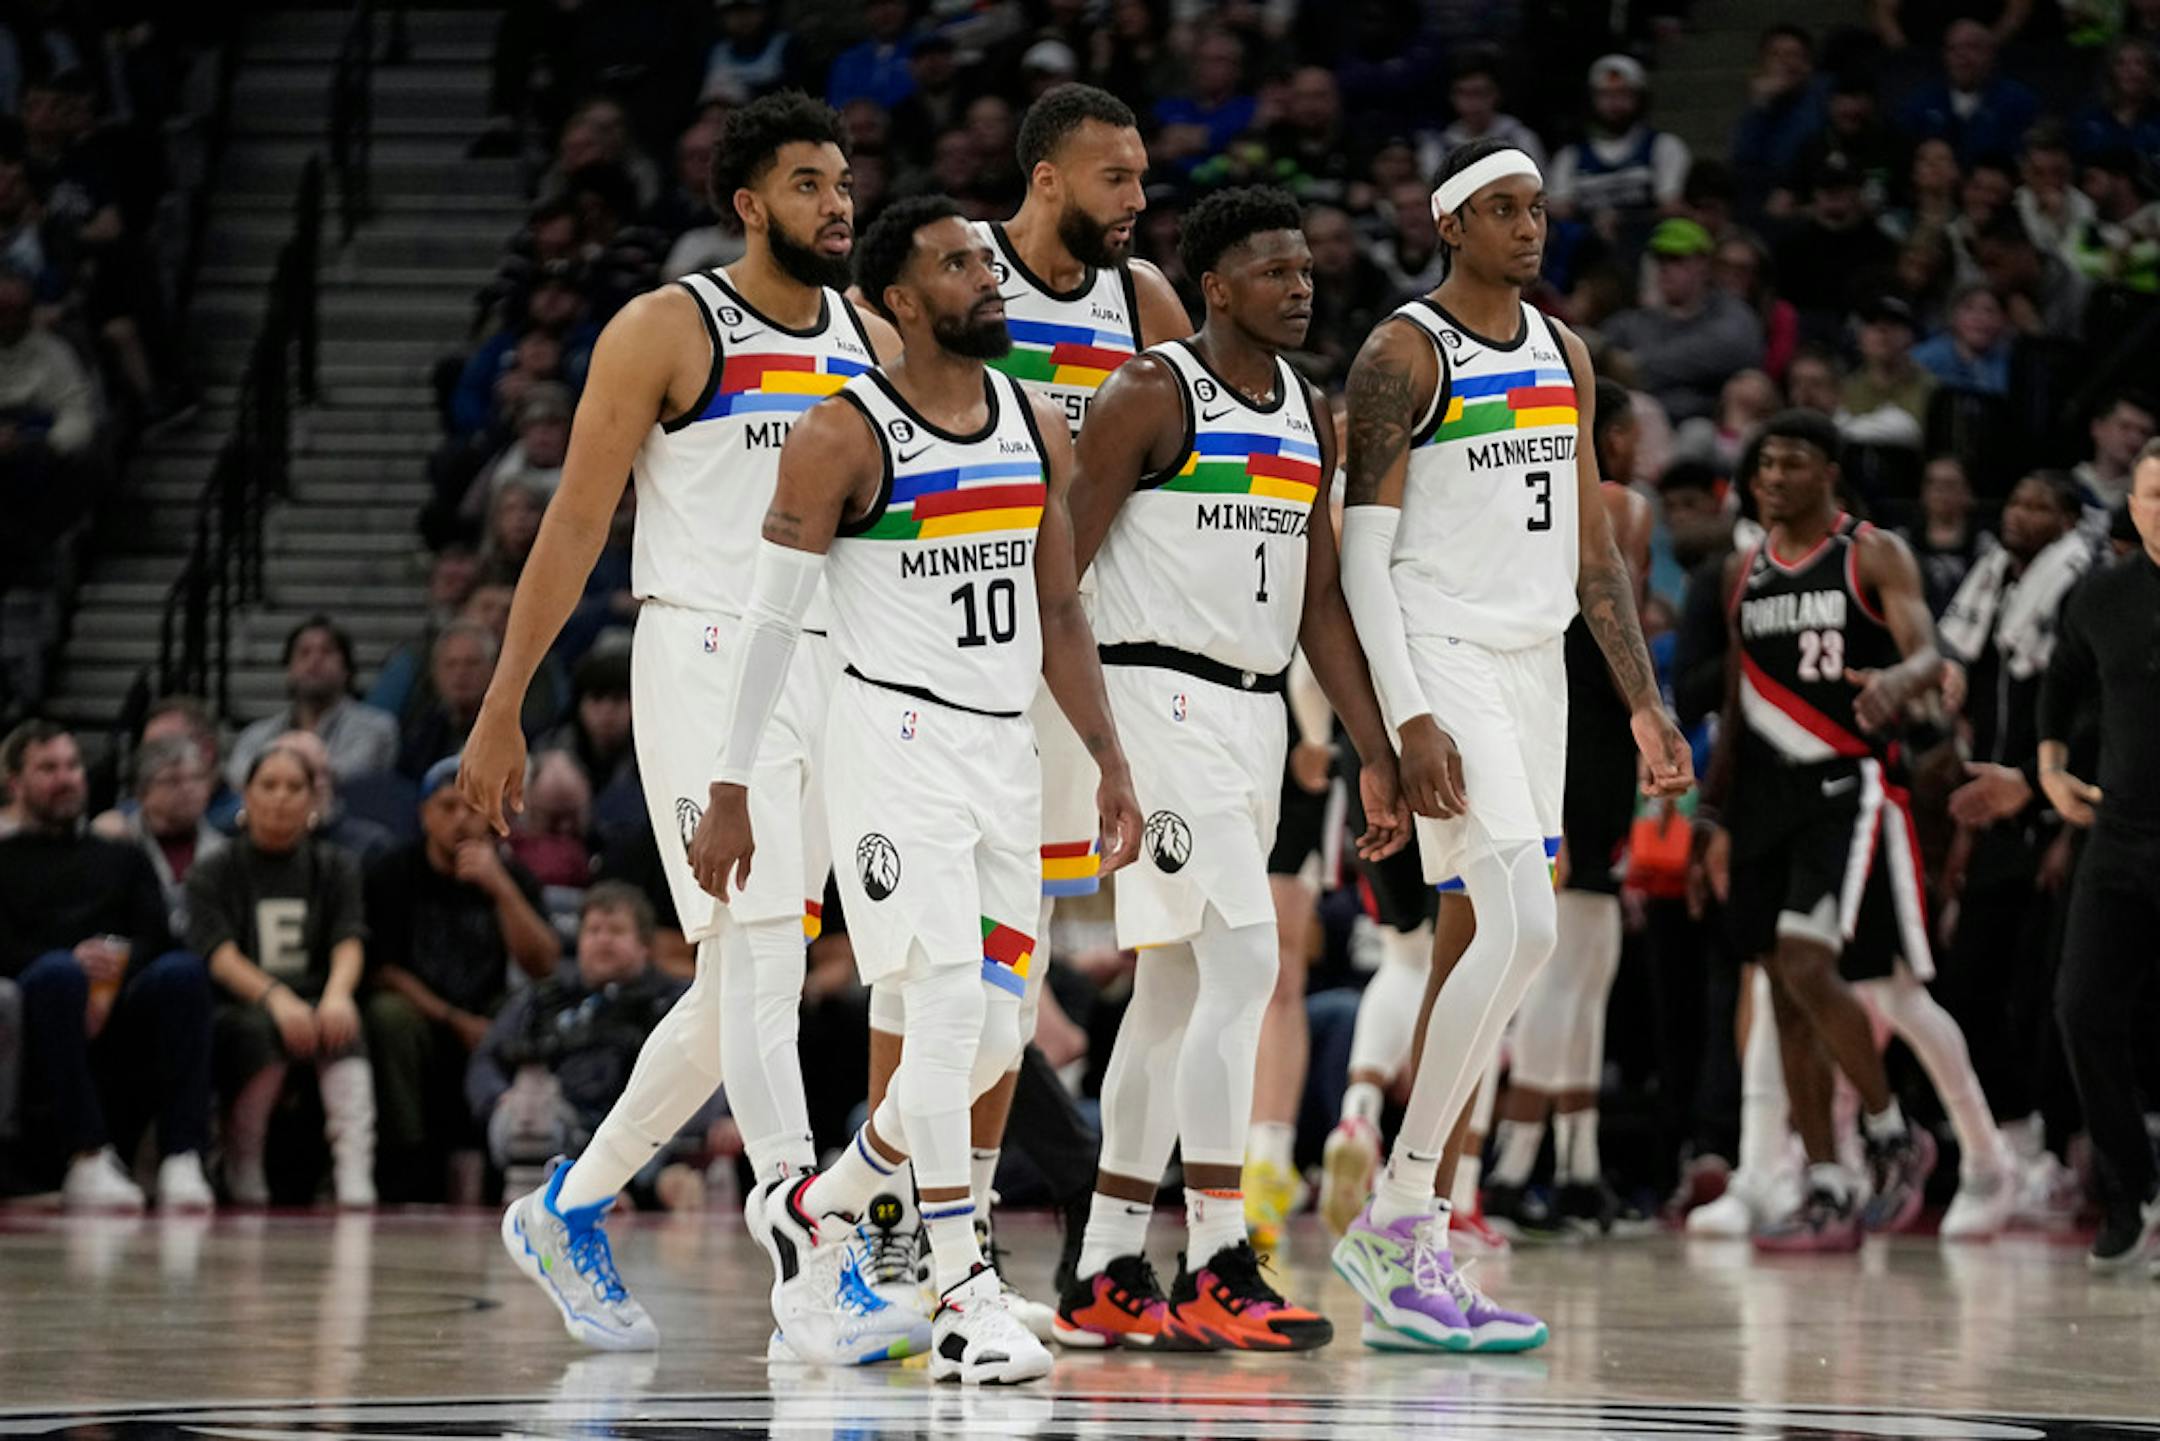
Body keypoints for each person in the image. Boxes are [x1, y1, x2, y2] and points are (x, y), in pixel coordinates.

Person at [458, 92, 901, 1353]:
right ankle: (808, 1259)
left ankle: (568, 1204)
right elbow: (573, 521)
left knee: (730, 994)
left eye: (845, 179)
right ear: (750, 203)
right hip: (705, 649)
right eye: (810, 183)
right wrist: (504, 705)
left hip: (839, 664)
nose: (838, 203)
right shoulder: (668, 326)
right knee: (759, 961)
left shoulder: (871, 335)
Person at [696, 194, 1141, 1384]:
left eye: (987, 262)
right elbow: (771, 620)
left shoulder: (1035, 420)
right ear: (899, 299)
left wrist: (1106, 755)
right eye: (957, 265)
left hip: (1006, 752)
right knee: (945, 1008)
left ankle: (823, 1198)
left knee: (998, 1025)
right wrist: (732, 783)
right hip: (890, 744)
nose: (987, 280)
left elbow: (1058, 610)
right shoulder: (842, 434)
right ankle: (962, 1291)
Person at [1332, 139, 1692, 1351]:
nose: (1529, 227)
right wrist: (1406, 714)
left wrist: (1642, 702)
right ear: (1452, 225)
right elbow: (1362, 557)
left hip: (1537, 668)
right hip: (1440, 651)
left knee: (1505, 948)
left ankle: (1413, 1219)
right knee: (1524, 923)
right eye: (1503, 209)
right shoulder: (1402, 352)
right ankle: (1398, 1207)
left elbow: (1594, 548)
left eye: (1538, 208)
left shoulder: (1565, 353)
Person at [852, 82, 1190, 1340]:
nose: (1138, 202)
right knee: (914, 970)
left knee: (1011, 968)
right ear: (1045, 177)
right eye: (1117, 179)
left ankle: (965, 1238)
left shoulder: (1143, 302)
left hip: (1063, 659)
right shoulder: (951, 273)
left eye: (1144, 180)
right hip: (930, 670)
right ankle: (887, 1235)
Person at [1050, 187, 1407, 1351]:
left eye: (1307, 269)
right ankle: (1215, 1253)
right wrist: (1092, 741)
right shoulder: (1150, 393)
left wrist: (1374, 748)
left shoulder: (1307, 407)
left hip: (1253, 716)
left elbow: (1319, 609)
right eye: (1275, 271)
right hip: (1156, 700)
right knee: (1248, 962)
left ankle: (1105, 1266)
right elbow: (1064, 568)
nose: (1302, 286)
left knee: (1170, 998)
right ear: (1214, 286)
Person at [1693, 410, 1960, 1251]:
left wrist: (1899, 681)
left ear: (1830, 473)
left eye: (1792, 462)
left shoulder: (1870, 551)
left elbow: (1931, 654)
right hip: (1764, 795)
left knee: (1811, 960)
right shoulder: (1743, 570)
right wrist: (1712, 811)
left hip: (1847, 785)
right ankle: (1828, 1179)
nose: (1772, 476)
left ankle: (1888, 1127)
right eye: (1764, 463)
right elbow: (1737, 704)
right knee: (1781, 996)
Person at [1480, 377, 1652, 1236]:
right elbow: (1626, 607)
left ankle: (1578, 1169)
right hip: (1587, 733)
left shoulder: (1524, 494)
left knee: (1591, 959)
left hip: (1574, 728)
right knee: (1566, 966)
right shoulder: (1617, 504)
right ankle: (1510, 1169)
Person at [1938, 472, 2092, 1227]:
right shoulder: (1992, 584)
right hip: (1996, 811)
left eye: (2040, 505)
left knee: (2042, 997)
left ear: (2068, 520)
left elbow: (2085, 714)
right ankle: (2002, 1138)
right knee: (1966, 988)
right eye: (2017, 500)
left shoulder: (2076, 588)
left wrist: (2062, 823)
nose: (2022, 514)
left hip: (2052, 814)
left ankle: (2053, 1153)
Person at [0, 721, 214, 1212]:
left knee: (183, 971)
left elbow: (156, 936)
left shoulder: (123, 856)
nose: (66, 778)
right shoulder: (5, 860)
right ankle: (87, 1154)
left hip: (118, 1000)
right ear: (16, 783)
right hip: (41, 1004)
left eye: (73, 766)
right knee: (58, 972)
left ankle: (184, 1156)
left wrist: (110, 970)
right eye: (48, 768)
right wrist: (75, 964)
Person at [2037, 441, 2160, 1270]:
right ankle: (2132, 1190)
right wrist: (2047, 764)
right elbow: (2061, 674)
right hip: (2120, 837)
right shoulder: (2103, 594)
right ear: (2135, 502)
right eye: (2155, 494)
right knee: (2081, 1009)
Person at [189, 744, 374, 1208]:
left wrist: (336, 996)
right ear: (245, 795)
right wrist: (276, 999)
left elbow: (348, 939)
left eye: (295, 787)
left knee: (345, 1025)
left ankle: (354, 1169)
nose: (280, 797)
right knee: (258, 1032)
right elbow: (219, 954)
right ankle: (243, 1161)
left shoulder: (335, 865)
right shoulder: (216, 869)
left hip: (315, 993)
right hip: (245, 1003)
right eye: (268, 785)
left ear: (314, 800)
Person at [364, 757, 556, 1204]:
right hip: (422, 1014)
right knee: (388, 1017)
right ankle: (407, 1164)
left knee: (522, 1016)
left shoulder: (511, 875)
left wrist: (501, 888)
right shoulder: (393, 872)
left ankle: (508, 1159)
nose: (460, 821)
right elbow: (385, 971)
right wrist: (453, 1019)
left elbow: (542, 963)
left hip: (488, 1015)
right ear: (424, 814)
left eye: (472, 809)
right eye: (447, 807)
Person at [467, 883, 710, 1205]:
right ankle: (570, 1195)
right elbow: (486, 1058)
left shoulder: (677, 1000)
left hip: (646, 1127)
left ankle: (631, 1189)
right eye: (593, 930)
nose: (603, 939)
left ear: (645, 946)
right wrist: (498, 1099)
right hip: (558, 1126)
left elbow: (707, 1064)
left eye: (616, 930)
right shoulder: (542, 998)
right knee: (526, 1115)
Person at [1602, 217, 1767, 424]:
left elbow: (1730, 347)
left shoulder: (1730, 314)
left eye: (1675, 259)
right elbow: (1602, 354)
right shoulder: (1635, 320)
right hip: (1640, 425)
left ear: (1703, 264)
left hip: (1708, 427)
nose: (1665, 268)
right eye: (1660, 259)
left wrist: (1634, 366)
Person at [226, 617, 400, 788]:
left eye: (327, 651)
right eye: (304, 652)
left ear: (347, 669)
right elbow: (237, 774)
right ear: (289, 670)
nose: (314, 660)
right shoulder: (257, 734)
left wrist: (274, 774)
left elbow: (353, 773)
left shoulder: (376, 726)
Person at [1547, 54, 1693, 257]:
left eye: (1624, 94)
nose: (1614, 104)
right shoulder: (1569, 157)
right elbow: (1558, 211)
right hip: (1586, 260)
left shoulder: (1664, 147)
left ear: (1640, 99)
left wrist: (1623, 220)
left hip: (1647, 255)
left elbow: (1671, 209)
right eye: (1605, 95)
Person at [91, 734, 225, 937]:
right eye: (173, 780)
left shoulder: (223, 849)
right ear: (142, 791)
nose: (189, 789)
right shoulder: (114, 841)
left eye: (197, 777)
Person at [1895, 20, 2040, 167]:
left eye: (1972, 47)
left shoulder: (2018, 101)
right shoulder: (1921, 101)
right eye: (1953, 49)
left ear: (1990, 53)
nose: (1962, 55)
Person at [2070, 389, 2157, 530]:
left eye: (2144, 432)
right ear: (2097, 428)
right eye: (2125, 427)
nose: (2134, 440)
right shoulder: (2065, 486)